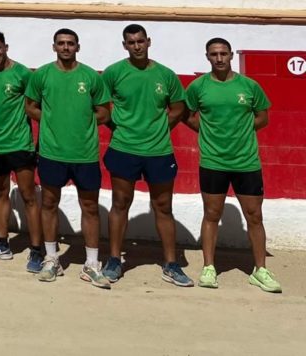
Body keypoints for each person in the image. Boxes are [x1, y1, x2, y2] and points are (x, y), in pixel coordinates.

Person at [186, 37, 280, 293]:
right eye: (214, 54)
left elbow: (263, 117)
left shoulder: (249, 86)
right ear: (207, 57)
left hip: (246, 162)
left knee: (255, 216)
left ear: (230, 56)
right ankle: (209, 268)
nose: (219, 58)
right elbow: (187, 115)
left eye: (224, 53)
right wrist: (208, 132)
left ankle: (260, 270)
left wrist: (240, 132)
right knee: (212, 214)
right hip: (213, 161)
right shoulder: (198, 87)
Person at [101, 23, 191, 286]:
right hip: (123, 148)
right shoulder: (114, 73)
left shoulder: (166, 74)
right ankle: (115, 260)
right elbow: (102, 107)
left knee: (163, 207)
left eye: (141, 41)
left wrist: (159, 128)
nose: (137, 46)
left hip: (159, 151)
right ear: (124, 45)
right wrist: (118, 127)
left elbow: (177, 108)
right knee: (120, 203)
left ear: (149, 42)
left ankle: (171, 264)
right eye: (131, 42)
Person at [25, 28, 111, 288]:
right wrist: (52, 120)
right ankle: (52, 260)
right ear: (54, 47)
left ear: (77, 47)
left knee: (90, 207)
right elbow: (30, 106)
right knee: (49, 203)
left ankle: (92, 264)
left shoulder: (91, 77)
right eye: (61, 44)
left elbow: (104, 113)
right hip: (52, 152)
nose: (65, 48)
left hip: (84, 153)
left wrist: (83, 121)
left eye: (70, 44)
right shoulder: (42, 75)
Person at [0, 31, 43, 271]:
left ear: (6, 47)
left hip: (20, 143)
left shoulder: (23, 73)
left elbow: (36, 105)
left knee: (28, 196)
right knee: (0, 193)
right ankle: (2, 244)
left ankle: (37, 250)